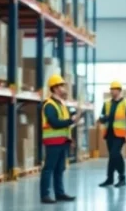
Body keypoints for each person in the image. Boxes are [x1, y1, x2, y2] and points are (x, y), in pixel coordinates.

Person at [41, 74, 79, 205]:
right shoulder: (49, 105)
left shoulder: (61, 104)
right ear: (55, 88)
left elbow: (65, 123)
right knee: (49, 168)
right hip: (53, 142)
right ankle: (45, 195)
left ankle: (60, 193)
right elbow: (54, 123)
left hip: (62, 141)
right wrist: (70, 120)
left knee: (60, 168)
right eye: (62, 85)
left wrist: (70, 138)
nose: (64, 88)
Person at [98, 80, 126, 188]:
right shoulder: (107, 103)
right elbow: (102, 117)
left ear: (119, 90)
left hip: (120, 134)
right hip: (109, 133)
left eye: (114, 89)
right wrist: (102, 119)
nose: (112, 91)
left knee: (115, 154)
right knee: (112, 156)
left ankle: (122, 177)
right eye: (111, 89)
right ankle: (110, 179)